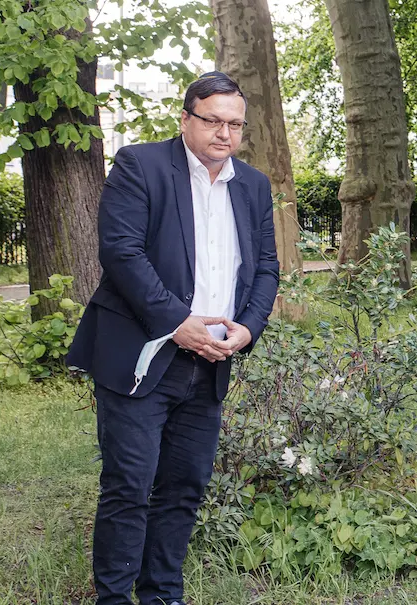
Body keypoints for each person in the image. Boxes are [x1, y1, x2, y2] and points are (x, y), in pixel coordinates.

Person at [66, 72, 280, 605]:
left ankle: (162, 595)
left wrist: (248, 327)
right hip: (142, 357)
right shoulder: (141, 165)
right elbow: (121, 252)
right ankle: (113, 599)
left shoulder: (252, 185)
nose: (224, 134)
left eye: (235, 124)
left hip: (210, 361)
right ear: (186, 119)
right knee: (129, 487)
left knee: (184, 488)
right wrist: (176, 322)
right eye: (212, 121)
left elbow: (266, 270)